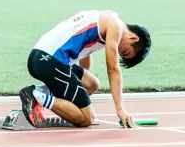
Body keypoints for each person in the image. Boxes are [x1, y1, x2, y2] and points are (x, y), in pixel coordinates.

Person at [19, 10, 151, 128]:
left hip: (41, 58)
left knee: (92, 84)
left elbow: (85, 53)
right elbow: (113, 69)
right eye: (126, 52)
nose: (120, 52)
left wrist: (76, 87)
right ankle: (35, 96)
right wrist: (120, 109)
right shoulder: (115, 26)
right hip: (50, 61)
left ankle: (40, 91)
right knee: (87, 118)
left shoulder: (104, 19)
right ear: (133, 38)